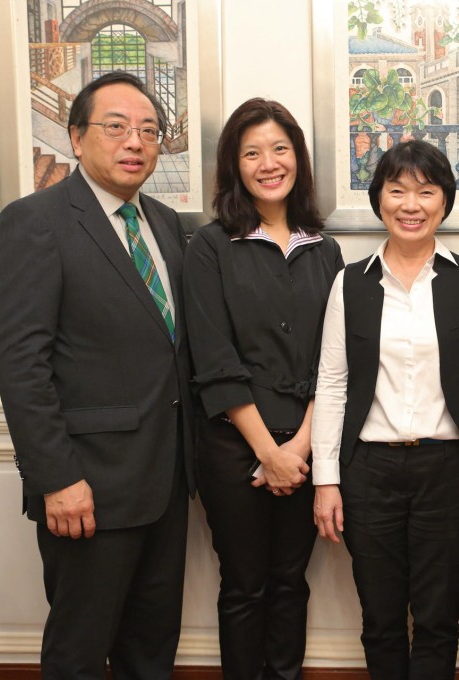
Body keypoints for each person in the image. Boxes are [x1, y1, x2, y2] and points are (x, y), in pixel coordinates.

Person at [0, 71, 194, 679]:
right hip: (88, 489)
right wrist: (58, 479)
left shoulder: (164, 224)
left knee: (151, 650)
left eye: (149, 131)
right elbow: (21, 366)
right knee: (79, 650)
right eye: (117, 127)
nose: (136, 142)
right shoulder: (33, 223)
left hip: (166, 481)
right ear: (76, 138)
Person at [311, 140, 459, 680]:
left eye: (426, 191)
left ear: (444, 202)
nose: (411, 204)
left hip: (447, 469)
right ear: (379, 200)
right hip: (367, 471)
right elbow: (331, 384)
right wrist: (326, 480)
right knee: (379, 618)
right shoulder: (350, 282)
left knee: (438, 616)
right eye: (397, 190)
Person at [183, 98, 343, 680]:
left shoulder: (324, 250)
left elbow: (335, 361)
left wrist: (298, 449)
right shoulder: (209, 247)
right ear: (234, 165)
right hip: (233, 445)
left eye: (280, 149)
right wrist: (267, 452)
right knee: (245, 585)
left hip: (307, 446)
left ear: (297, 158)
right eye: (252, 152)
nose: (268, 163)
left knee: (289, 583)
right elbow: (213, 358)